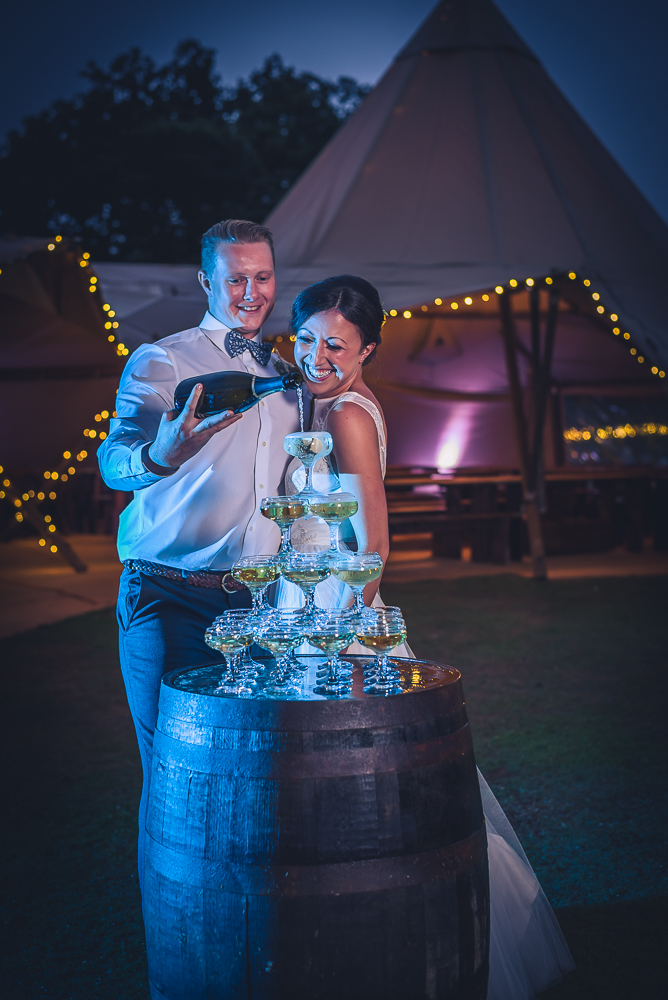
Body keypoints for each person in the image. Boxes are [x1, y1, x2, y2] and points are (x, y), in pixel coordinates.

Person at [276, 274, 575, 1000]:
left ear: (368, 349)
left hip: (334, 621)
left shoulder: (345, 413)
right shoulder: (326, 403)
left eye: (337, 343)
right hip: (303, 606)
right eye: (308, 337)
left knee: (364, 798)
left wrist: (339, 637)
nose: (318, 353)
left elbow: (375, 542)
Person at [97, 219, 301, 890]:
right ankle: (177, 951)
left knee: (255, 777)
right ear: (206, 281)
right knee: (172, 781)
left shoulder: (283, 374)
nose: (251, 292)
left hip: (260, 606)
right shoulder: (162, 361)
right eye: (236, 278)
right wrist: (159, 454)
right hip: (168, 595)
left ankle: (244, 941)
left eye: (263, 277)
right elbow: (115, 457)